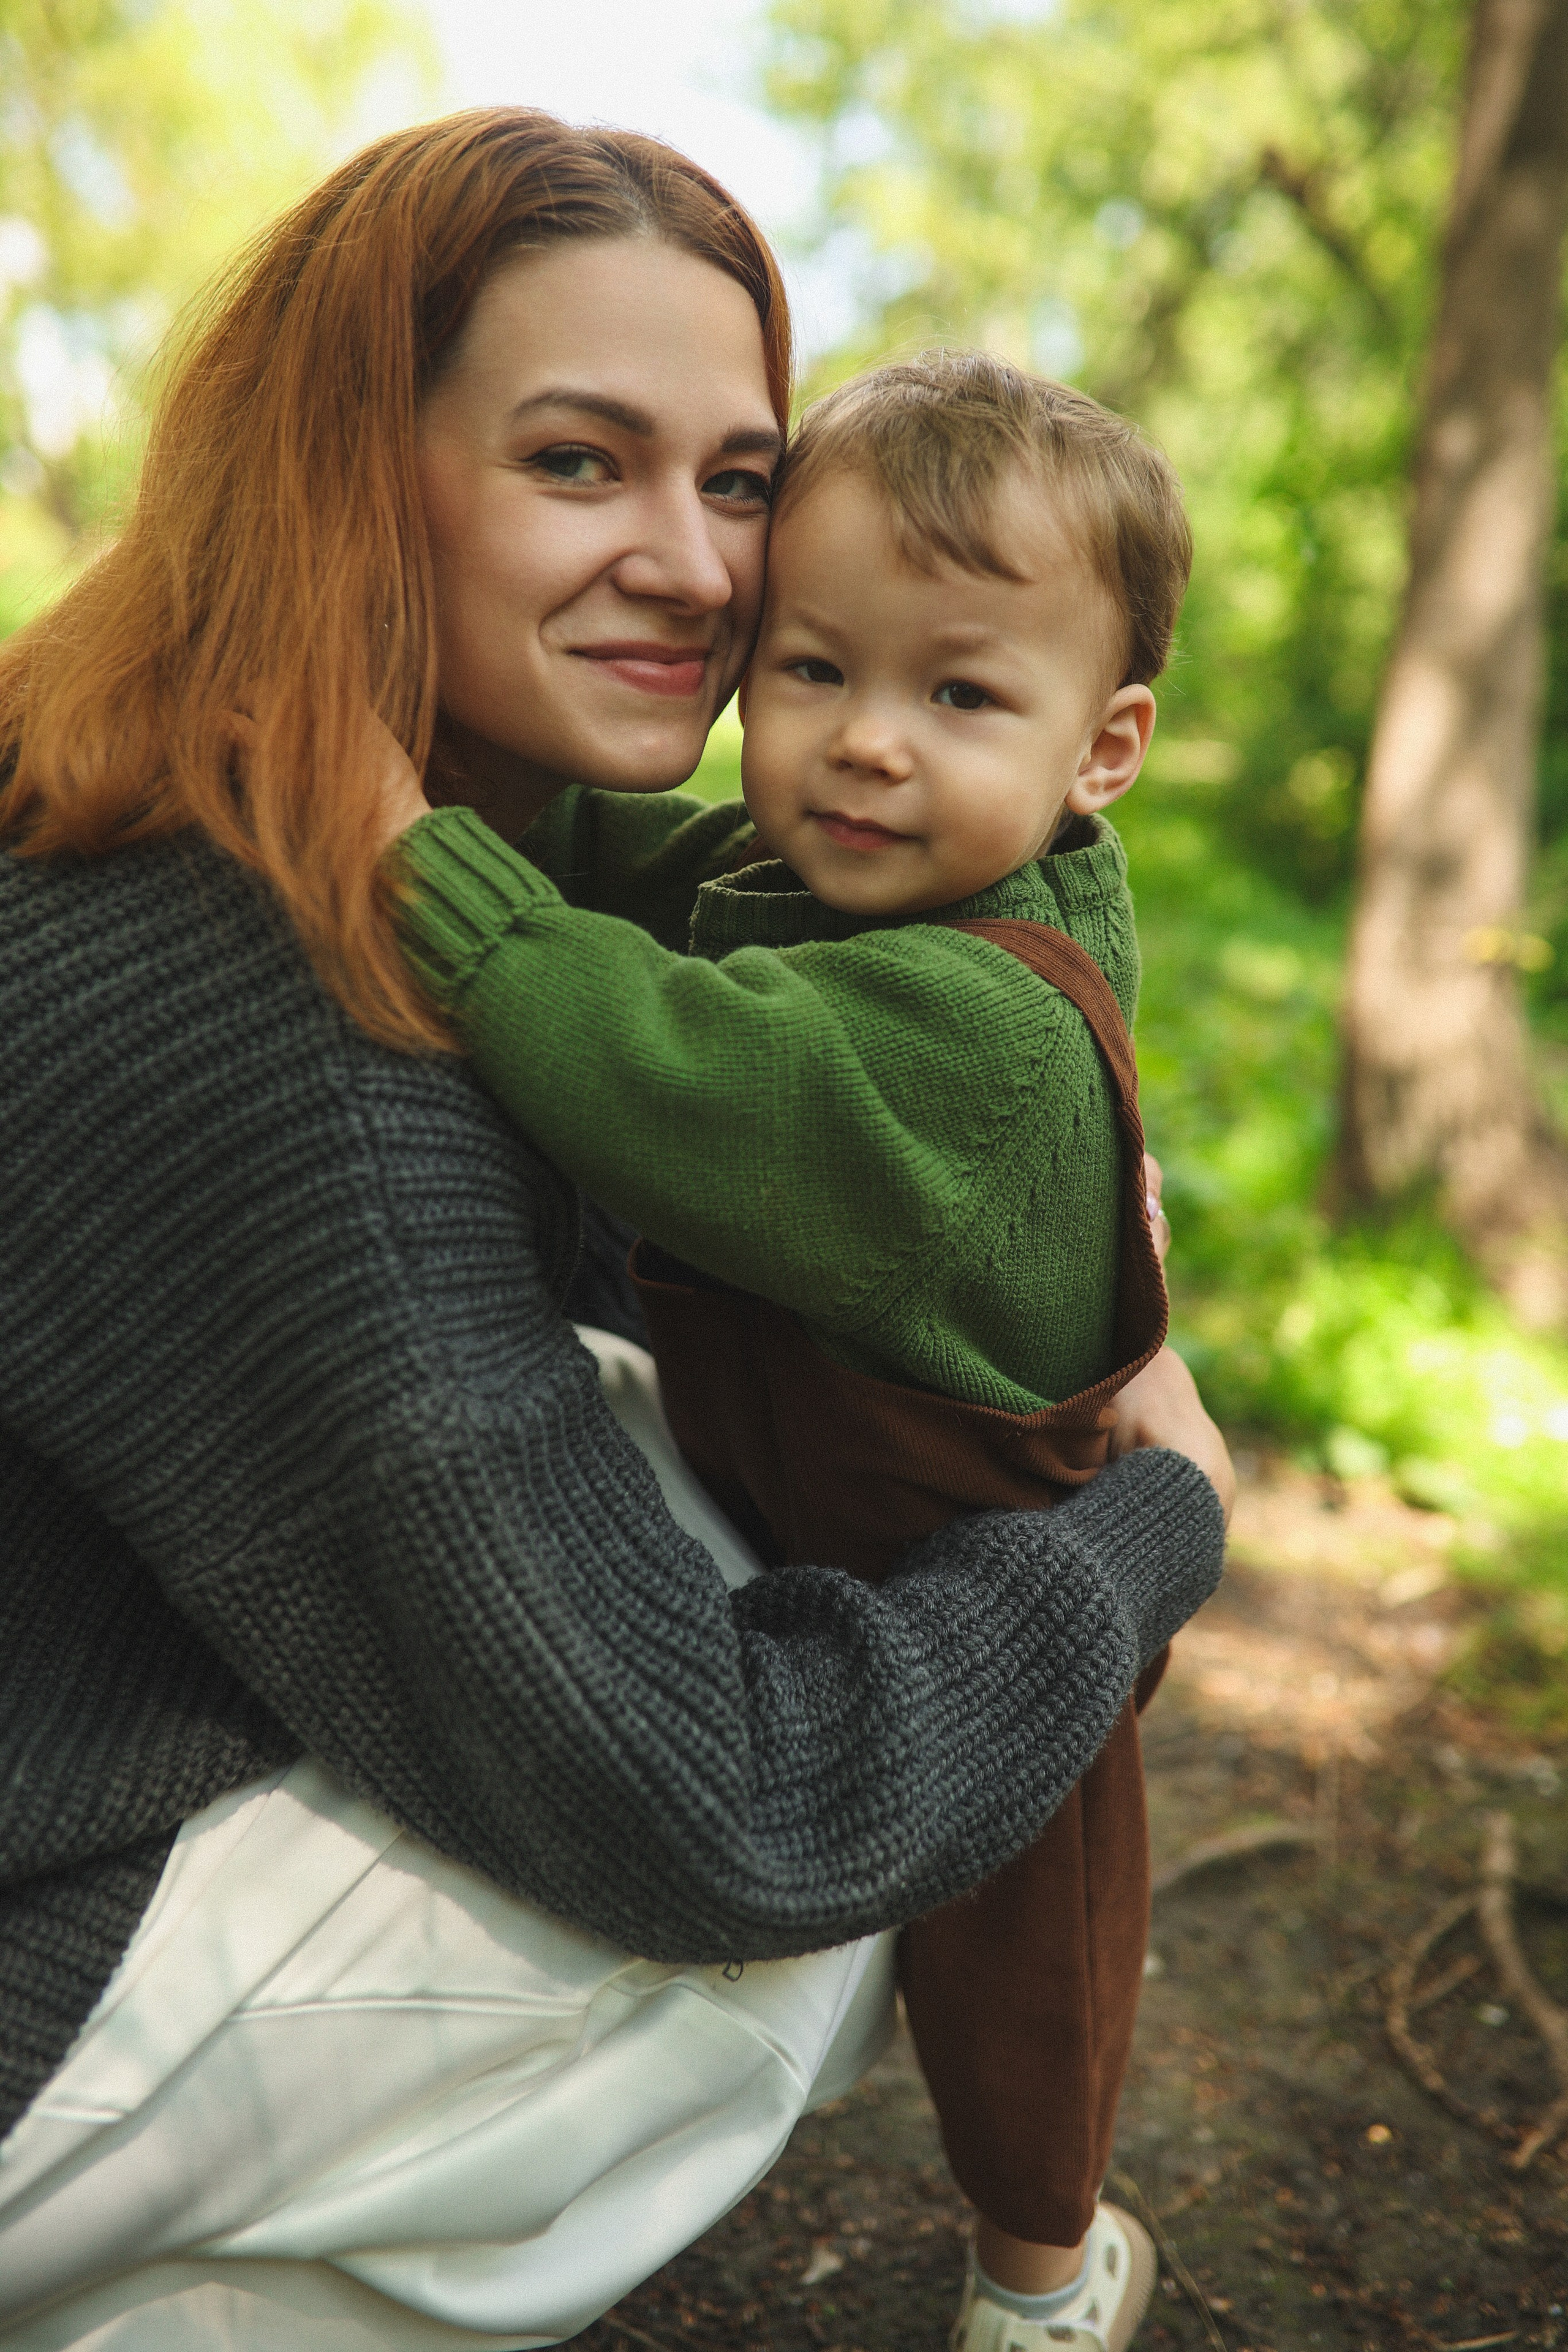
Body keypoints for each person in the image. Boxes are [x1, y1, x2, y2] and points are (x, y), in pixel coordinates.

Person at [0, 110, 1231, 2352]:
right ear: (351, 473)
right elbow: (718, 1813)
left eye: (740, 478)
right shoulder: (282, 993)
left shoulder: (237, 775)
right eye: (582, 462)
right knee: (790, 1887)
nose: (700, 565)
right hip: (33, 1988)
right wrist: (1155, 1528)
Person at [378, 350, 1201, 2352]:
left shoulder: (987, 1030)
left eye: (961, 694)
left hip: (984, 1545)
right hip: (796, 1478)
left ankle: (1042, 2269)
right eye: (815, 671)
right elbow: (632, 869)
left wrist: (430, 878)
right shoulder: (809, 868)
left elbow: (676, 1070)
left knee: (1020, 1950)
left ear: (1103, 750)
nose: (867, 749)